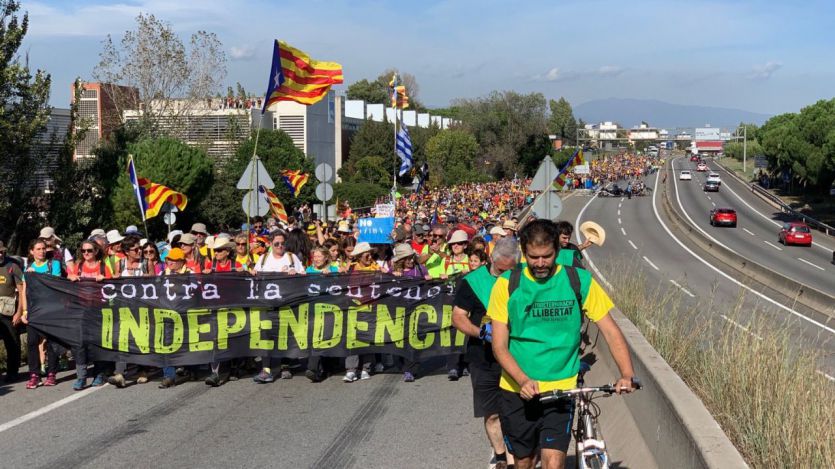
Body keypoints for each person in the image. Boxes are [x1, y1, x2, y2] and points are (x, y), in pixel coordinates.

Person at [488, 219, 636, 469]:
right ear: (524, 252)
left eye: (547, 256)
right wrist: (522, 379)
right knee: (524, 461)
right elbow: (499, 346)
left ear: (557, 249)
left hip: (562, 387)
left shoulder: (578, 281)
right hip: (517, 389)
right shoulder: (507, 285)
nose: (541, 263)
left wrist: (627, 373)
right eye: (534, 257)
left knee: (554, 462)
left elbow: (610, 330)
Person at [454, 237, 520, 469]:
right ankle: (501, 456)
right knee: (492, 413)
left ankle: (516, 456)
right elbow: (458, 317)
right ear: (491, 258)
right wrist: (480, 333)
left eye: (508, 272)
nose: (503, 276)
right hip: (482, 358)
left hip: (516, 355)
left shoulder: (522, 279)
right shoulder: (472, 282)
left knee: (514, 411)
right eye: (500, 270)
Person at [22, 238, 62, 389]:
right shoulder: (28, 268)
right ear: (32, 252)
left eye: (43, 248)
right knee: (32, 342)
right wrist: (24, 311)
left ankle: (52, 373)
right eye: (38, 249)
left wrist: (37, 276)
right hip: (34, 310)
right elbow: (25, 292)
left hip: (51, 309)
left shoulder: (54, 264)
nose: (42, 251)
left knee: (52, 342)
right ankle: (34, 375)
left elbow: (55, 283)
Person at [159, 248, 194, 388]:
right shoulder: (163, 273)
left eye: (174, 259)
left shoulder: (190, 273)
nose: (170, 262)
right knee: (166, 343)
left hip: (186, 314)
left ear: (182, 261)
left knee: (187, 343)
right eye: (169, 259)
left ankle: (189, 369)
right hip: (168, 315)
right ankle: (169, 376)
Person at [0, 241, 25, 383]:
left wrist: (19, 312)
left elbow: (21, 291)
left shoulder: (12, 265)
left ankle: (13, 372)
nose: (0, 254)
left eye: (2, 251)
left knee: (12, 342)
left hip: (9, 310)